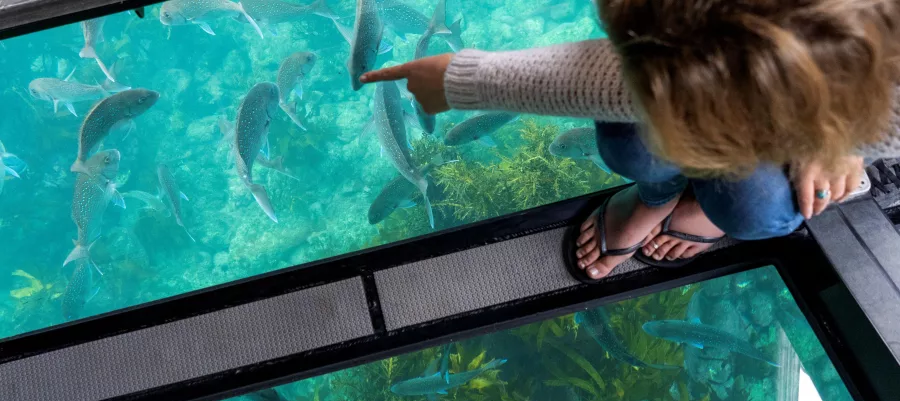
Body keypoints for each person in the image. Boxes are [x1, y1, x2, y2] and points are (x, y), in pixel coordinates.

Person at [360, 0, 900, 282]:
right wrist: (460, 79)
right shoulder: (694, 50)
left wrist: (843, 147)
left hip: (837, 126)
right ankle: (658, 196)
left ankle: (710, 209)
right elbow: (617, 78)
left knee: (756, 210)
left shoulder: (885, 113)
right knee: (630, 140)